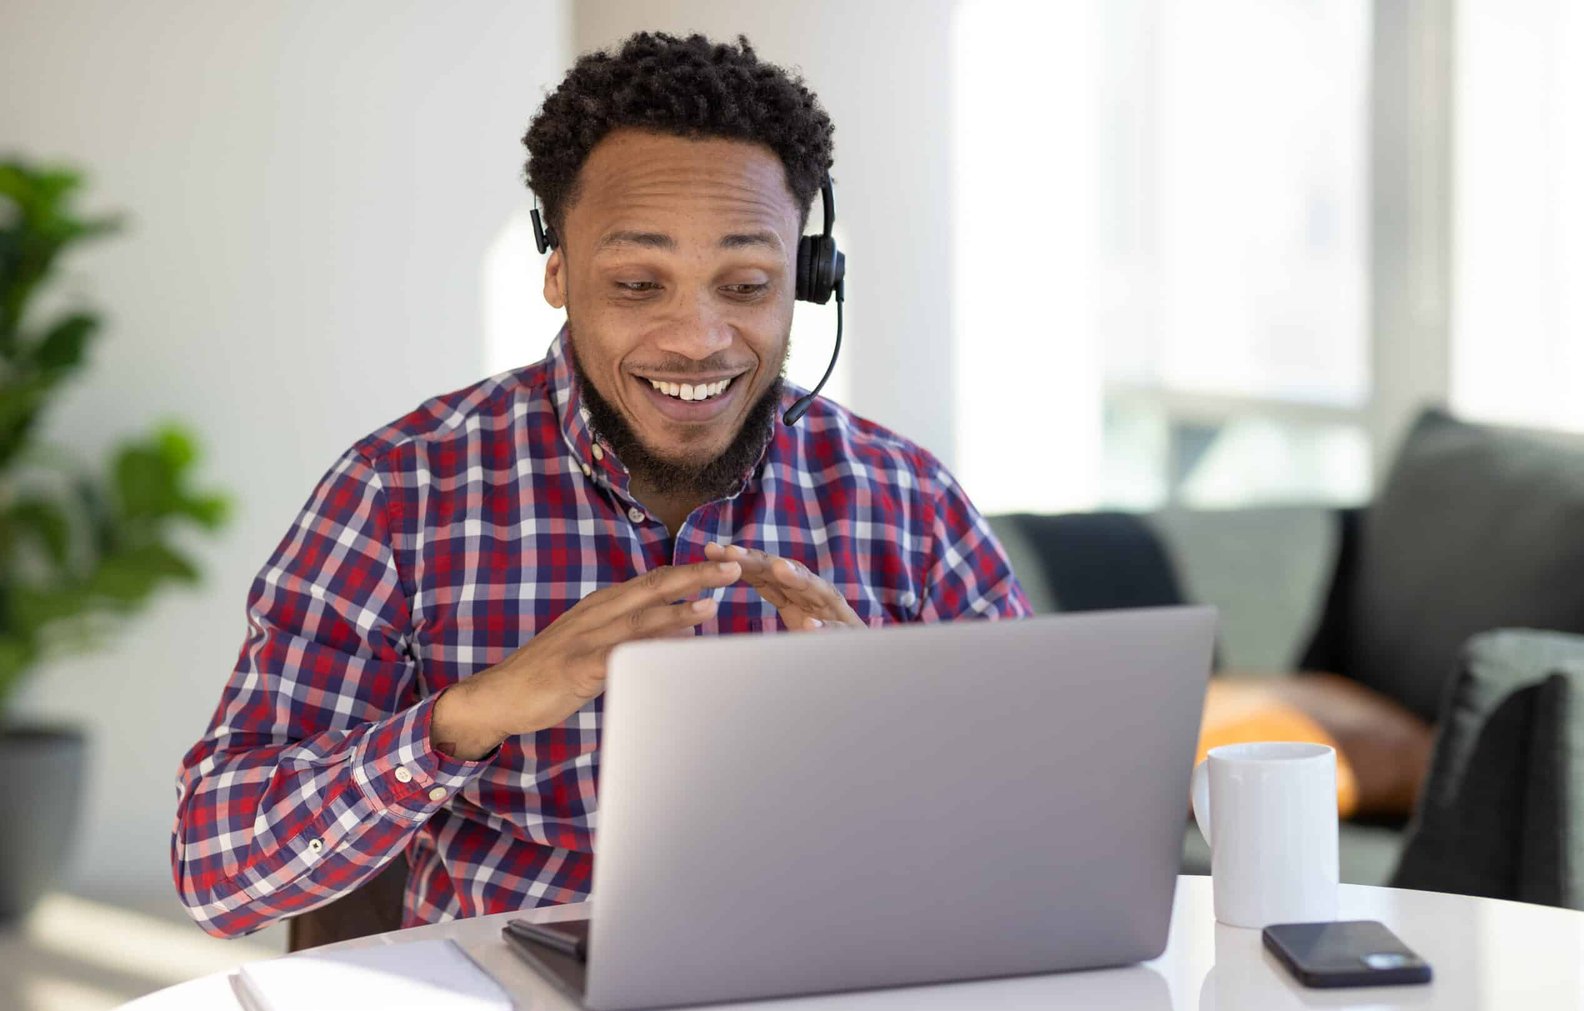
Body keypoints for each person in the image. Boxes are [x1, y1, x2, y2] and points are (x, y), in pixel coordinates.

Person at [172, 31, 1030, 939]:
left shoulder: (908, 502)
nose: (698, 338)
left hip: (832, 1003)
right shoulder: (402, 492)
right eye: (635, 283)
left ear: (809, 282)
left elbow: (1047, 830)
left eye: (745, 282)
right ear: (558, 273)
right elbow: (216, 870)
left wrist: (896, 731)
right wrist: (473, 714)